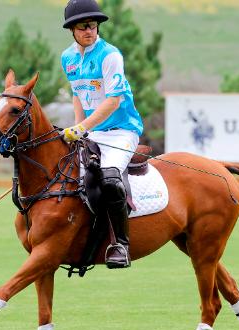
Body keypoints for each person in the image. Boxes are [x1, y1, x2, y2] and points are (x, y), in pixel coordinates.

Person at [60, 0, 143, 269]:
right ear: (72, 29)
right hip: (92, 131)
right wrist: (78, 127)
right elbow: (77, 94)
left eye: (93, 25)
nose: (90, 30)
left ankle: (120, 244)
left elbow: (113, 101)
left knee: (109, 178)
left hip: (121, 131)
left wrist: (81, 129)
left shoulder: (110, 55)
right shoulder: (68, 58)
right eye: (84, 26)